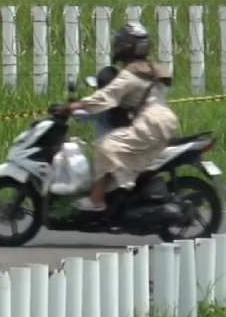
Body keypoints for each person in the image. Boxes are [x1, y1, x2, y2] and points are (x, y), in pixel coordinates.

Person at [63, 22, 178, 212]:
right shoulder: (149, 69)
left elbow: (106, 97)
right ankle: (124, 192)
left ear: (128, 47)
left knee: (106, 146)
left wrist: (74, 105)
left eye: (122, 44)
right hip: (164, 121)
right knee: (122, 148)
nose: (119, 47)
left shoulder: (130, 74)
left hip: (150, 123)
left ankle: (97, 200)